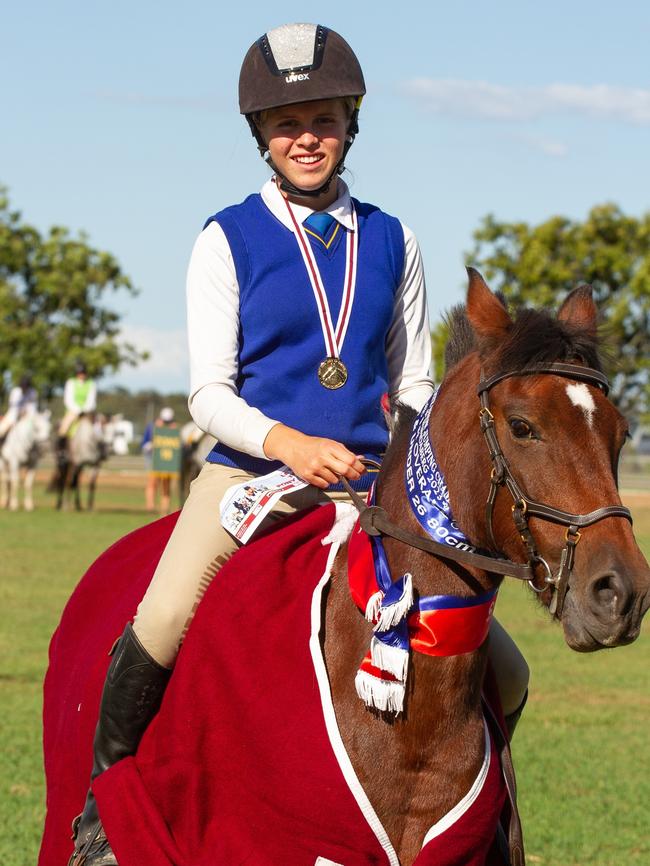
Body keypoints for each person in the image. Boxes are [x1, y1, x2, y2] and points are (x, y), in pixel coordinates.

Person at [67, 23, 529, 865]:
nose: (305, 137)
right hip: (251, 477)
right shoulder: (226, 238)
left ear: (351, 123)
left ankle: (480, 821)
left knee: (508, 669)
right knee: (162, 617)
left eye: (321, 118)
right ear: (261, 138)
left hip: (368, 492)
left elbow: (416, 380)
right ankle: (103, 814)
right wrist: (287, 441)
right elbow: (208, 393)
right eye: (286, 124)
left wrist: (399, 461)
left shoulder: (396, 239)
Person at [141, 407, 177, 513]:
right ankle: (150, 507)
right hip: (153, 460)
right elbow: (144, 443)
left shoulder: (174, 428)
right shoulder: (151, 427)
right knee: (152, 483)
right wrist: (151, 442)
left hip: (167, 463)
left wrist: (173, 431)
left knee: (166, 484)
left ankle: (165, 508)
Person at [58, 362, 97, 441]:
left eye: (83, 373)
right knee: (64, 428)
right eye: (80, 373)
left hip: (86, 411)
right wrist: (77, 410)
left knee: (95, 430)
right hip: (73, 410)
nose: (81, 375)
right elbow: (68, 399)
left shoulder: (91, 384)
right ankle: (61, 446)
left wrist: (84, 410)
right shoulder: (71, 382)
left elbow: (91, 400)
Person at [0, 373, 38, 440]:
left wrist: (27, 414)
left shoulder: (32, 392)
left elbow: (33, 407)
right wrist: (19, 413)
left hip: (28, 416)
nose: (24, 388)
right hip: (13, 415)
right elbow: (13, 407)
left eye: (26, 386)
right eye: (23, 386)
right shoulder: (15, 392)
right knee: (2, 430)